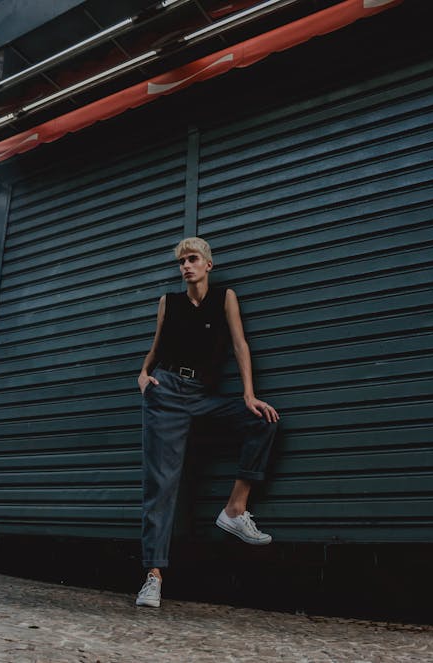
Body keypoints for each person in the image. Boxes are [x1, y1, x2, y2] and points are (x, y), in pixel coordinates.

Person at [136, 237, 280, 608]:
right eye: (182, 261)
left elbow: (239, 345)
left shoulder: (224, 297)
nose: (186, 266)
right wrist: (142, 374)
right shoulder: (169, 301)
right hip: (166, 393)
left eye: (192, 259)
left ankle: (234, 510)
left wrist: (249, 394)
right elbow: (156, 345)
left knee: (261, 422)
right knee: (162, 484)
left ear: (207, 265)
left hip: (202, 394)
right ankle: (153, 577)